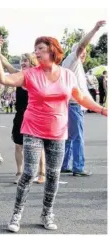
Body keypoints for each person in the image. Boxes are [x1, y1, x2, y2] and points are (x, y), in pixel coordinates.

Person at [0, 35, 107, 232]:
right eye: (35, 48)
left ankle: (47, 213)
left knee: (53, 175)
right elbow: (3, 79)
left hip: (57, 131)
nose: (36, 52)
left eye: (41, 49)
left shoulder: (67, 75)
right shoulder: (30, 74)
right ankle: (16, 214)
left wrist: (102, 109)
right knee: (28, 173)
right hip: (33, 129)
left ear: (52, 51)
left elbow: (81, 98)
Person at [0, 44, 46, 184]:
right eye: (21, 61)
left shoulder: (39, 78)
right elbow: (6, 63)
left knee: (38, 146)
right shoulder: (19, 77)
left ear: (32, 62)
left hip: (36, 116)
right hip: (20, 115)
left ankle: (42, 173)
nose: (22, 63)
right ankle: (20, 172)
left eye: (25, 60)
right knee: (18, 145)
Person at [61, 20, 106, 176]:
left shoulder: (73, 64)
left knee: (68, 137)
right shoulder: (72, 60)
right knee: (77, 137)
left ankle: (65, 164)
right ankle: (78, 167)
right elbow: (81, 46)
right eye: (83, 52)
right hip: (73, 105)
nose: (84, 54)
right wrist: (95, 29)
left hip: (69, 105)